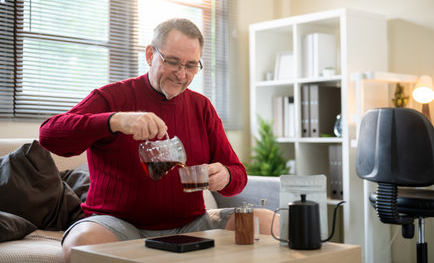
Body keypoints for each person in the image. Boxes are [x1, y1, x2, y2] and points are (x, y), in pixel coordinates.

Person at [39, 18, 278, 263]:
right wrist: (115, 121)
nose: (182, 74)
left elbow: (238, 175)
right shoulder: (112, 97)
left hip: (192, 225)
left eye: (191, 65)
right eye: (173, 62)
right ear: (150, 54)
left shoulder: (202, 107)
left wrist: (225, 175)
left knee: (270, 222)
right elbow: (49, 135)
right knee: (80, 246)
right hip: (117, 225)